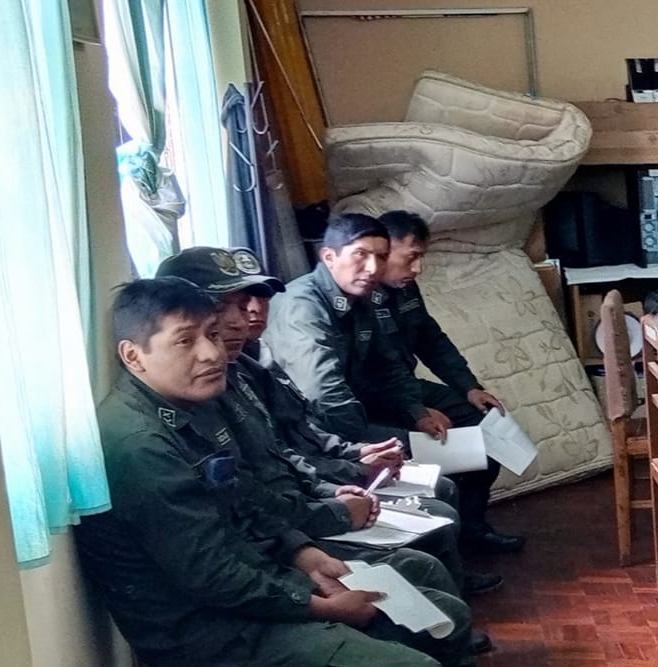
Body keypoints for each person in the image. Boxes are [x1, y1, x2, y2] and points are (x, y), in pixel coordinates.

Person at [75, 279, 568, 667]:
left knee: (430, 604)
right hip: (213, 637)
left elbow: (250, 505)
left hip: (250, 593)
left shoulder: (188, 410)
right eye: (186, 340)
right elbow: (209, 577)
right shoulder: (140, 445)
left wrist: (302, 550)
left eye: (210, 334)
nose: (210, 352)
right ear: (133, 356)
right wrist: (316, 603)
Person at [156, 246, 501, 600]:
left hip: (314, 488)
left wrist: (356, 457)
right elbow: (269, 476)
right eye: (223, 307)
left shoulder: (249, 367)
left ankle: (455, 575)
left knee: (456, 469)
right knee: (436, 511)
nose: (245, 317)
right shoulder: (209, 387)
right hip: (295, 517)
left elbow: (299, 437)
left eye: (251, 302)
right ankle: (444, 599)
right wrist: (345, 480)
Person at [264, 212, 521, 556]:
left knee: (476, 434)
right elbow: (325, 394)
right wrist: (357, 451)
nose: (372, 268)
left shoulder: (363, 298)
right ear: (329, 257)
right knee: (420, 454)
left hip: (372, 399)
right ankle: (436, 548)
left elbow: (391, 365)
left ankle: (467, 532)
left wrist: (419, 410)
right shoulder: (304, 305)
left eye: (380, 257)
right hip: (322, 425)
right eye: (362, 255)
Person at [375, 211, 524, 553]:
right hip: (377, 400)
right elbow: (367, 378)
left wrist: (469, 387)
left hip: (407, 388)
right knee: (450, 449)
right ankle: (445, 540)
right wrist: (417, 411)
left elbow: (432, 341)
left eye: (421, 258)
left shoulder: (406, 290)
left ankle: (472, 527)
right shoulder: (358, 299)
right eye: (411, 257)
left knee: (486, 425)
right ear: (383, 249)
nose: (417, 269)